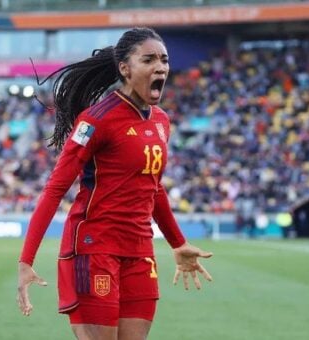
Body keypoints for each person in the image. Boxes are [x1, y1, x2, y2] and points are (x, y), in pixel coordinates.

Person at [17, 27, 213, 339]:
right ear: (125, 68)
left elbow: (153, 187)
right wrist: (26, 260)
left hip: (139, 252)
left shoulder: (161, 121)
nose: (160, 66)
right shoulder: (96, 120)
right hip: (94, 248)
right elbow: (55, 189)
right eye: (148, 59)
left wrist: (177, 242)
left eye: (164, 59)